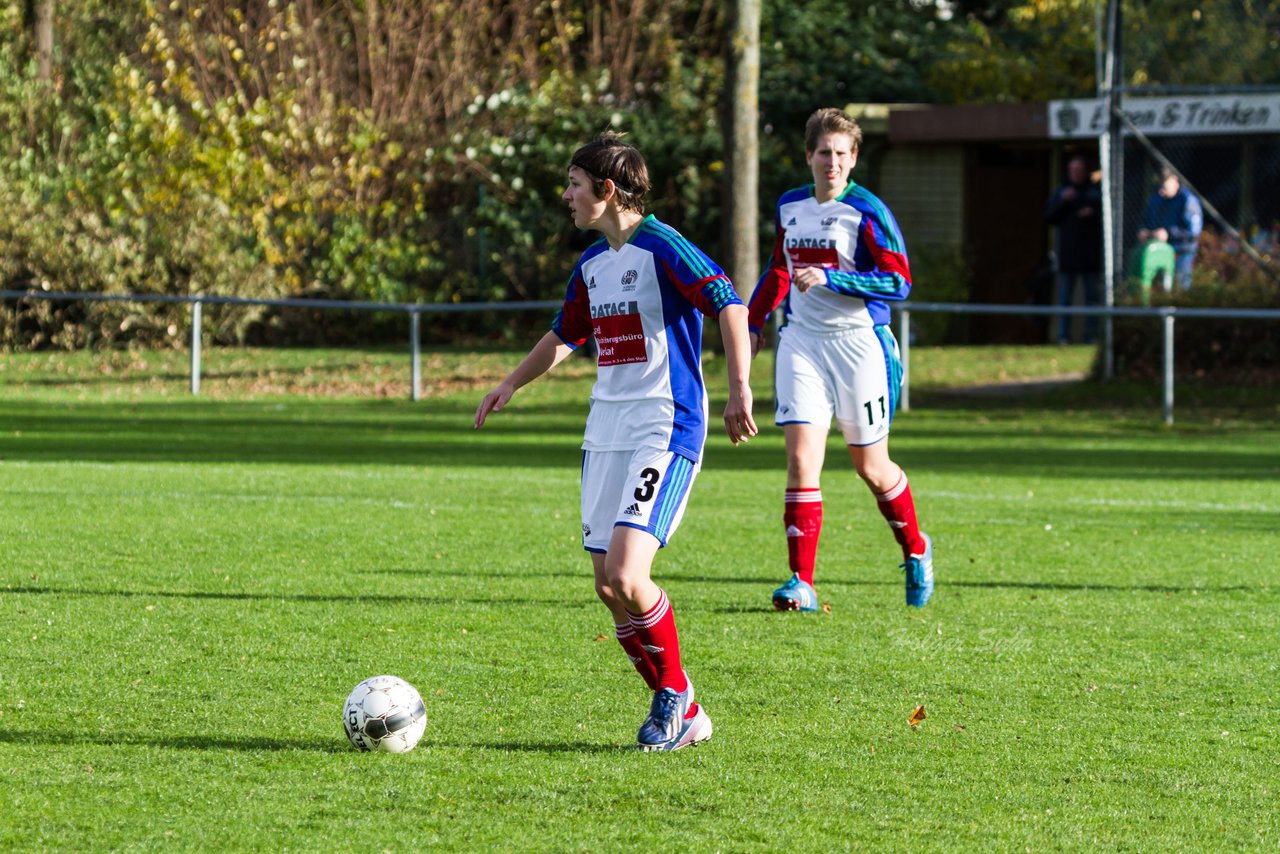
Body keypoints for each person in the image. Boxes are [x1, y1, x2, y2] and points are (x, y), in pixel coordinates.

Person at [475, 133, 757, 752]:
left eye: (574, 184)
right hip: (606, 431)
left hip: (665, 424)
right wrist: (510, 385)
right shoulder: (592, 266)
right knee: (607, 586)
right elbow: (564, 335)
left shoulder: (663, 246)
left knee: (631, 574)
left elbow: (730, 306)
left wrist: (739, 388)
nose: (566, 197)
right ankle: (687, 709)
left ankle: (674, 697)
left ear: (606, 190)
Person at [747, 107, 933, 611]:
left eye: (841, 154)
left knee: (871, 467)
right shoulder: (790, 206)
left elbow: (899, 281)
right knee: (801, 459)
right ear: (808, 156)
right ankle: (801, 582)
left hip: (859, 344)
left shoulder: (869, 210)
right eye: (824, 152)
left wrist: (834, 278)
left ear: (854, 160)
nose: (832, 162)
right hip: (802, 342)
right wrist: (753, 320)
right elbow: (779, 270)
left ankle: (916, 549)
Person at [1043, 155, 1103, 344]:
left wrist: (1092, 214)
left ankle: (1090, 336)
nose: (1076, 174)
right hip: (1067, 256)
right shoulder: (1061, 191)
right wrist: (1064, 201)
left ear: (1085, 172)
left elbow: (1106, 218)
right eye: (1072, 170)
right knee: (1064, 299)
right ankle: (1063, 337)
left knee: (1091, 299)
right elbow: (1049, 217)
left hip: (1090, 256)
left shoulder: (1095, 192)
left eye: (1079, 170)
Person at [1137, 168, 1203, 290]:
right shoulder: (1156, 199)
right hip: (1159, 251)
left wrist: (1169, 234)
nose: (1161, 192)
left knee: (1180, 289)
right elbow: (1146, 222)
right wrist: (1145, 231)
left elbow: (1193, 232)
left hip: (1181, 252)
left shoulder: (1188, 201)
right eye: (1159, 187)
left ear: (1174, 181)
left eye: (1164, 187)